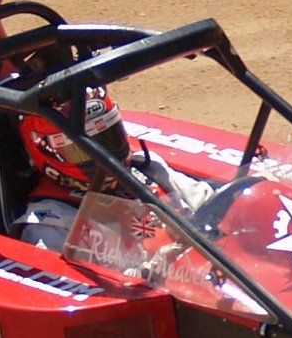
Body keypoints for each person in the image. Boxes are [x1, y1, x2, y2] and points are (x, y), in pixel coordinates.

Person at [13, 87, 210, 250]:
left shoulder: (149, 170)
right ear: (48, 151)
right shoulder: (50, 225)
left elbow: (210, 204)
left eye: (110, 138)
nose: (107, 156)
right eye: (83, 150)